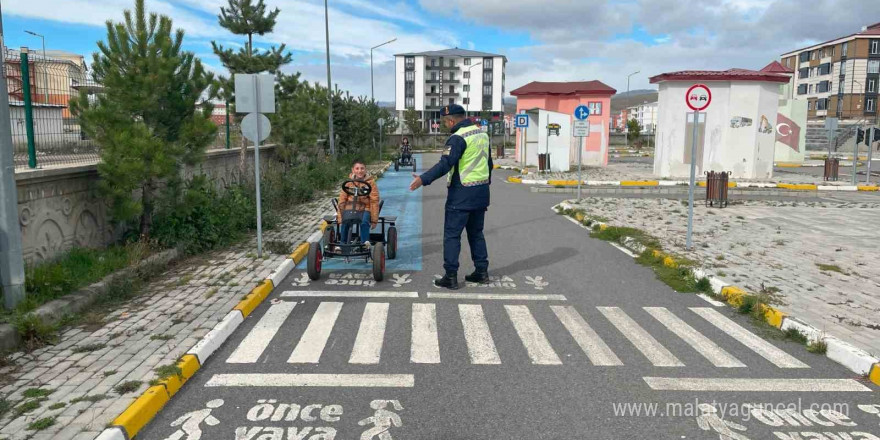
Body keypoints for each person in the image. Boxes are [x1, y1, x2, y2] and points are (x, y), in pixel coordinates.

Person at [409, 104, 492, 289]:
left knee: (452, 236)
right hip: (481, 193)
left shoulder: (457, 138)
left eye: (445, 122)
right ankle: (481, 272)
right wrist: (486, 185)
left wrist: (423, 179)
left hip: (461, 194)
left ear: (451, 120)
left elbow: (445, 164)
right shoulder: (482, 134)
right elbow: (489, 164)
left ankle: (451, 276)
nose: (445, 125)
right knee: (476, 234)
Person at [339, 159, 380, 245]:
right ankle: (342, 244)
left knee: (364, 222)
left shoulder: (371, 183)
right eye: (357, 168)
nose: (359, 171)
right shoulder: (348, 183)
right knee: (345, 222)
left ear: (365, 169)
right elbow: (342, 201)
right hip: (350, 207)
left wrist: (374, 220)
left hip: (365, 208)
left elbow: (374, 201)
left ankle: (364, 243)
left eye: (362, 168)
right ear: (353, 170)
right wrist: (340, 217)